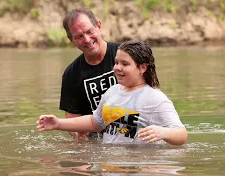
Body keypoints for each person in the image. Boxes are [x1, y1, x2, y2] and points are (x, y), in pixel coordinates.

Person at [37, 40, 188, 145]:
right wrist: (58, 124)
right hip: (111, 167)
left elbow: (181, 134)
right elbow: (95, 123)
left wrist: (163, 133)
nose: (117, 68)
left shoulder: (155, 98)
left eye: (124, 64)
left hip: (138, 166)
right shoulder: (112, 91)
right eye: (116, 62)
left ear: (142, 67)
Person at [60, 8, 120, 140]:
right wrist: (80, 138)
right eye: (79, 36)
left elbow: (149, 94)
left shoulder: (125, 55)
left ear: (98, 26)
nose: (87, 40)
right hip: (97, 140)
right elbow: (72, 121)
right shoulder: (71, 74)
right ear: (71, 39)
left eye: (89, 31)